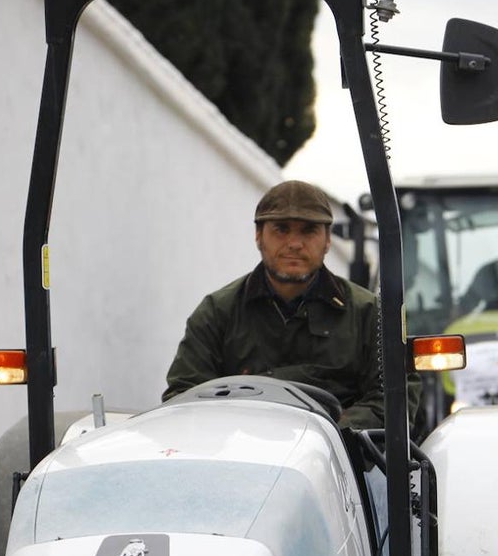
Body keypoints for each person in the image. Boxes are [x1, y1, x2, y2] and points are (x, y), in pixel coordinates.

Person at [162, 179, 418, 431]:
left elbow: (397, 399)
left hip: (341, 466)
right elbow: (183, 398)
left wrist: (328, 437)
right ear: (258, 236)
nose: (295, 243)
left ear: (328, 240)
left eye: (308, 230)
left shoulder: (371, 315)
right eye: (281, 229)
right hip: (242, 462)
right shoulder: (217, 313)